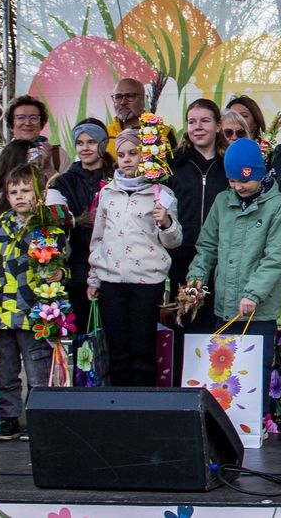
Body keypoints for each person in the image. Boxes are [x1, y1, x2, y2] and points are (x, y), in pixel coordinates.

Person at [185, 138, 281, 418]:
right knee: (224, 377)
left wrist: (253, 294)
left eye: (245, 181)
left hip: (258, 313)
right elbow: (207, 247)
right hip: (225, 309)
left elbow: (274, 258)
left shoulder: (277, 207)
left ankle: (254, 429)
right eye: (232, 181)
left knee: (253, 376)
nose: (238, 187)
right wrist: (196, 279)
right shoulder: (222, 202)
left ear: (260, 174)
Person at [87, 129, 182, 387]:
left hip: (147, 283)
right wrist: (94, 278)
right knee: (117, 349)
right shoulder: (107, 193)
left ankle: (143, 407)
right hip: (111, 281)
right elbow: (98, 239)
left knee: (143, 348)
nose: (127, 159)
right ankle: (119, 408)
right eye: (121, 155)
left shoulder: (161, 194)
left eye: (133, 153)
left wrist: (166, 223)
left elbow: (174, 241)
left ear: (147, 155)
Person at [0, 164, 66, 441]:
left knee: (37, 370)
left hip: (34, 314)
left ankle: (38, 417)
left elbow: (62, 263)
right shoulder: (1, 224)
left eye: (25, 190)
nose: (19, 196)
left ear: (39, 194)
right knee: (6, 371)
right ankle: (8, 419)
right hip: (4, 313)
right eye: (13, 191)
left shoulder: (47, 226)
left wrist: (59, 272)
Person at [46, 119, 114, 334]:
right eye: (80, 143)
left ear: (102, 144)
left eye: (92, 142)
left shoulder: (117, 177)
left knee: (114, 336)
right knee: (84, 338)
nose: (85, 148)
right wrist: (75, 221)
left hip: (113, 268)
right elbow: (54, 218)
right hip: (78, 269)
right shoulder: (63, 182)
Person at [167, 99, 229, 333]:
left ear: (218, 125)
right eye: (192, 122)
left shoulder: (227, 165)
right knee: (185, 325)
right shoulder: (174, 164)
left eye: (205, 121)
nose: (198, 127)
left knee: (215, 327)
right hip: (182, 258)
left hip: (219, 259)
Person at [0, 140, 56, 283]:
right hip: (6, 291)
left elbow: (62, 244)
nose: (35, 166)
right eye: (31, 160)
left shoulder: (48, 202)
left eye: (38, 159)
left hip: (43, 290)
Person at [0, 95, 66, 197]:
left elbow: (71, 191)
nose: (27, 123)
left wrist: (48, 169)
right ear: (11, 125)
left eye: (34, 118)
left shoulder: (57, 154)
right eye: (20, 118)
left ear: (42, 124)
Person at [105, 78, 146, 160]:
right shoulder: (105, 135)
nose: (123, 102)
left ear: (144, 99)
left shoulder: (162, 133)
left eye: (130, 96)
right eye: (118, 97)